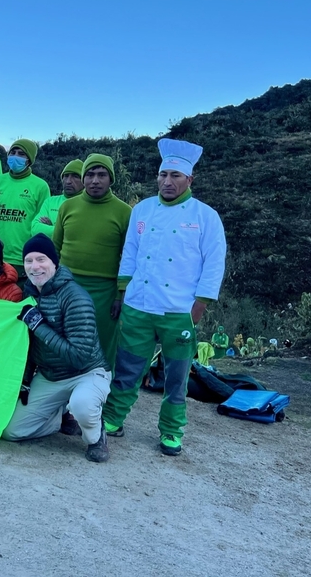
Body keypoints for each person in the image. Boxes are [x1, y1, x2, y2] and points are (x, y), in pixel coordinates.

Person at [102, 138, 227, 457]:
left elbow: (214, 263)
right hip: (138, 306)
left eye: (175, 176)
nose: (167, 181)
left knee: (176, 377)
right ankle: (113, 419)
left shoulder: (206, 217)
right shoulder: (142, 210)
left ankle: (171, 431)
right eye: (162, 175)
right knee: (127, 369)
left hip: (178, 311)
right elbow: (130, 252)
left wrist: (200, 305)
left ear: (189, 180)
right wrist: (122, 291)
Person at [1, 234, 112, 463]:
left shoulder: (75, 297)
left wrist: (39, 325)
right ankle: (58, 415)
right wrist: (25, 380)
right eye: (29, 261)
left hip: (87, 372)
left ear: (54, 262)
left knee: (82, 404)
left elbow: (79, 357)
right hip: (50, 375)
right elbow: (29, 343)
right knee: (12, 431)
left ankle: (96, 436)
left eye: (41, 259)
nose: (35, 267)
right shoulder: (29, 292)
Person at [52, 154, 131, 370]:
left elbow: (128, 258)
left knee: (102, 344)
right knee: (64, 339)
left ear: (111, 179)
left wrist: (118, 295)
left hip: (105, 292)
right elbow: (54, 250)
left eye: (101, 175)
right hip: (67, 286)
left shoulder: (125, 212)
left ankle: (99, 395)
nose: (95, 180)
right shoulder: (68, 207)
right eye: (89, 174)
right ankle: (63, 391)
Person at [0, 138, 51, 282]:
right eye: (12, 152)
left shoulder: (40, 186)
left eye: (21, 154)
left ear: (29, 160)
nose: (15, 156)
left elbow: (42, 225)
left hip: (24, 258)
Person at [30, 159, 84, 238]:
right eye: (66, 176)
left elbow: (82, 234)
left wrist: (51, 227)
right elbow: (35, 230)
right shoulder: (50, 201)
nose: (68, 181)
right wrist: (63, 230)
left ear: (84, 180)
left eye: (75, 176)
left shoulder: (88, 204)